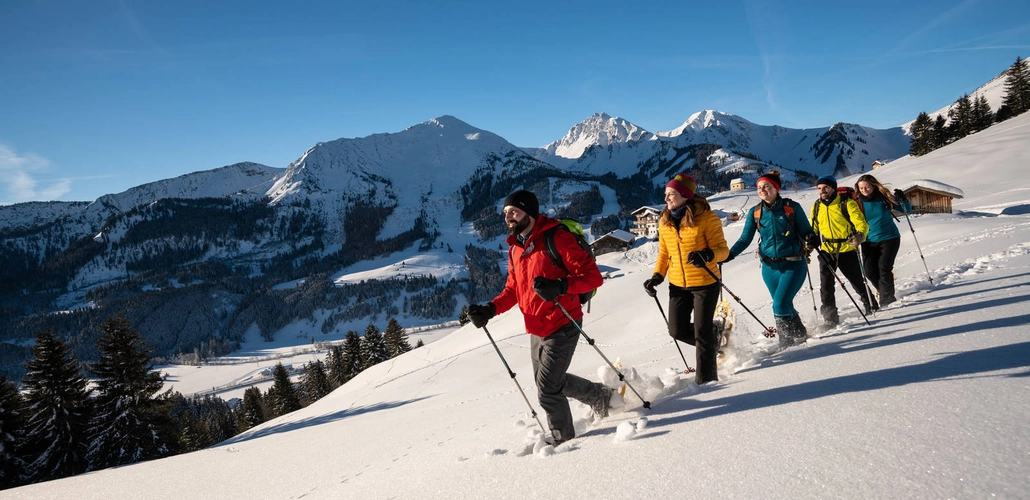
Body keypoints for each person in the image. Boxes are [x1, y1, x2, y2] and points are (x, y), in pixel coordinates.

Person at [466, 190, 610, 446]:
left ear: (529, 213)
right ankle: (599, 395)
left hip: (564, 323)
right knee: (553, 383)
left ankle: (562, 441)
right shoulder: (515, 249)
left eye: (515, 211)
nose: (509, 217)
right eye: (506, 213)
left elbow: (593, 277)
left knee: (547, 390)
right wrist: (489, 309)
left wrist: (560, 286)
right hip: (535, 328)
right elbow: (513, 290)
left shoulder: (557, 238)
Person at [642, 174, 729, 384]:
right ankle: (715, 335)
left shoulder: (707, 218)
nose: (667, 199)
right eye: (666, 195)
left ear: (685, 195)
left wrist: (707, 255)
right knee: (677, 330)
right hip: (678, 285)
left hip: (705, 283)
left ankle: (706, 382)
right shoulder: (665, 221)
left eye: (671, 194)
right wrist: (657, 276)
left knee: (701, 333)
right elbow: (664, 254)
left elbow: (723, 251)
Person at [725, 170, 817, 349]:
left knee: (780, 304)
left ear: (776, 188)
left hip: (793, 264)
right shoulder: (755, 212)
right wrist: (729, 254)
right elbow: (745, 239)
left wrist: (811, 237)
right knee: (782, 304)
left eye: (767, 186)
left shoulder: (792, 207)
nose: (762, 190)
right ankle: (800, 333)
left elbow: (807, 230)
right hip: (769, 267)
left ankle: (786, 342)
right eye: (759, 187)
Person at [809, 175, 876, 329]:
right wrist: (808, 245)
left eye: (825, 187)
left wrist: (860, 236)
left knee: (857, 281)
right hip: (826, 250)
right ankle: (830, 319)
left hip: (847, 248)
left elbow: (862, 224)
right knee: (826, 286)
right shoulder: (817, 206)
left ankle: (871, 306)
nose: (822, 191)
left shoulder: (847, 204)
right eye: (819, 188)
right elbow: (813, 228)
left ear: (833, 187)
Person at [854, 174, 912, 308]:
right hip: (868, 240)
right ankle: (883, 290)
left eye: (867, 187)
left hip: (890, 238)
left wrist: (903, 199)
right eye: (861, 188)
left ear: (873, 186)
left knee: (884, 268)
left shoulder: (884, 197)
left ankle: (887, 301)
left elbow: (906, 210)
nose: (864, 190)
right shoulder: (857, 202)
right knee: (869, 271)